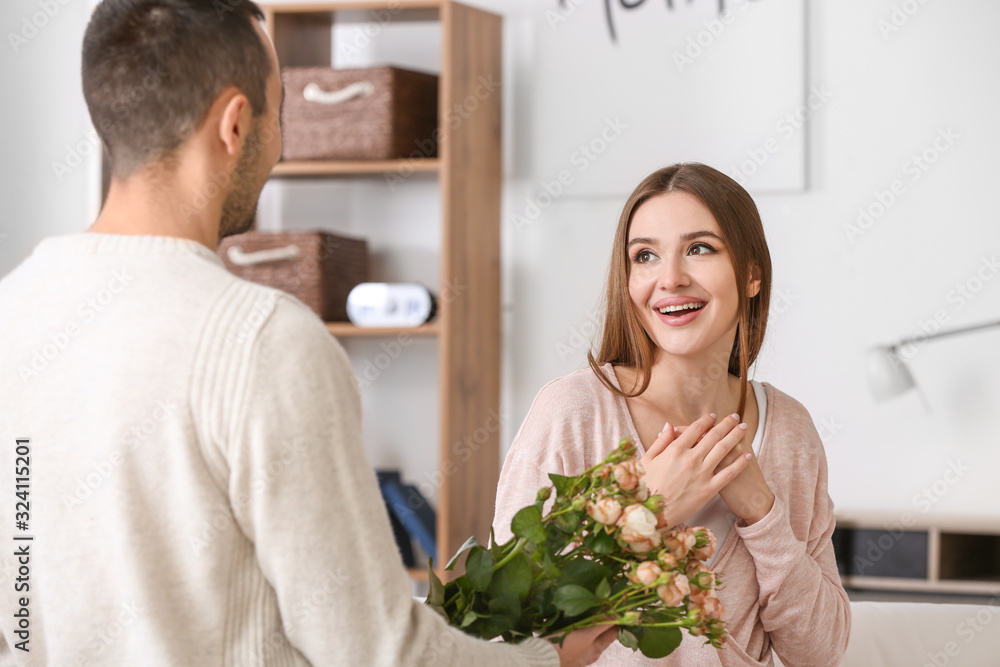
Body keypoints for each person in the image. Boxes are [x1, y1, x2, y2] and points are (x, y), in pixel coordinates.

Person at [0, 1, 617, 664]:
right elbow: (377, 654)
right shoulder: (263, 340)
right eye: (279, 110)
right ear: (235, 124)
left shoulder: (12, 312)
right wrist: (551, 656)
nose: (280, 139)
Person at [493, 164, 852, 666]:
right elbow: (509, 635)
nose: (670, 278)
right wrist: (646, 514)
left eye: (699, 248)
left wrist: (763, 513)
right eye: (645, 256)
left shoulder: (789, 429)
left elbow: (820, 653)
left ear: (751, 274)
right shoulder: (574, 413)